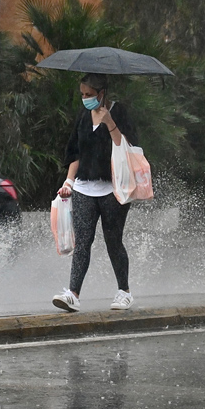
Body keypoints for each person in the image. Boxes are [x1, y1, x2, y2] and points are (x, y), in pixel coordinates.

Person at [52, 73, 138, 312]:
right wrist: (69, 182)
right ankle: (73, 294)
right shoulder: (83, 116)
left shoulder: (119, 113)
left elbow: (128, 147)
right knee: (83, 241)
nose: (85, 98)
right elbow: (75, 152)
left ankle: (124, 292)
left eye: (89, 94)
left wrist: (110, 122)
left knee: (113, 241)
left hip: (113, 189)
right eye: (82, 94)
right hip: (84, 188)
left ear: (102, 93)